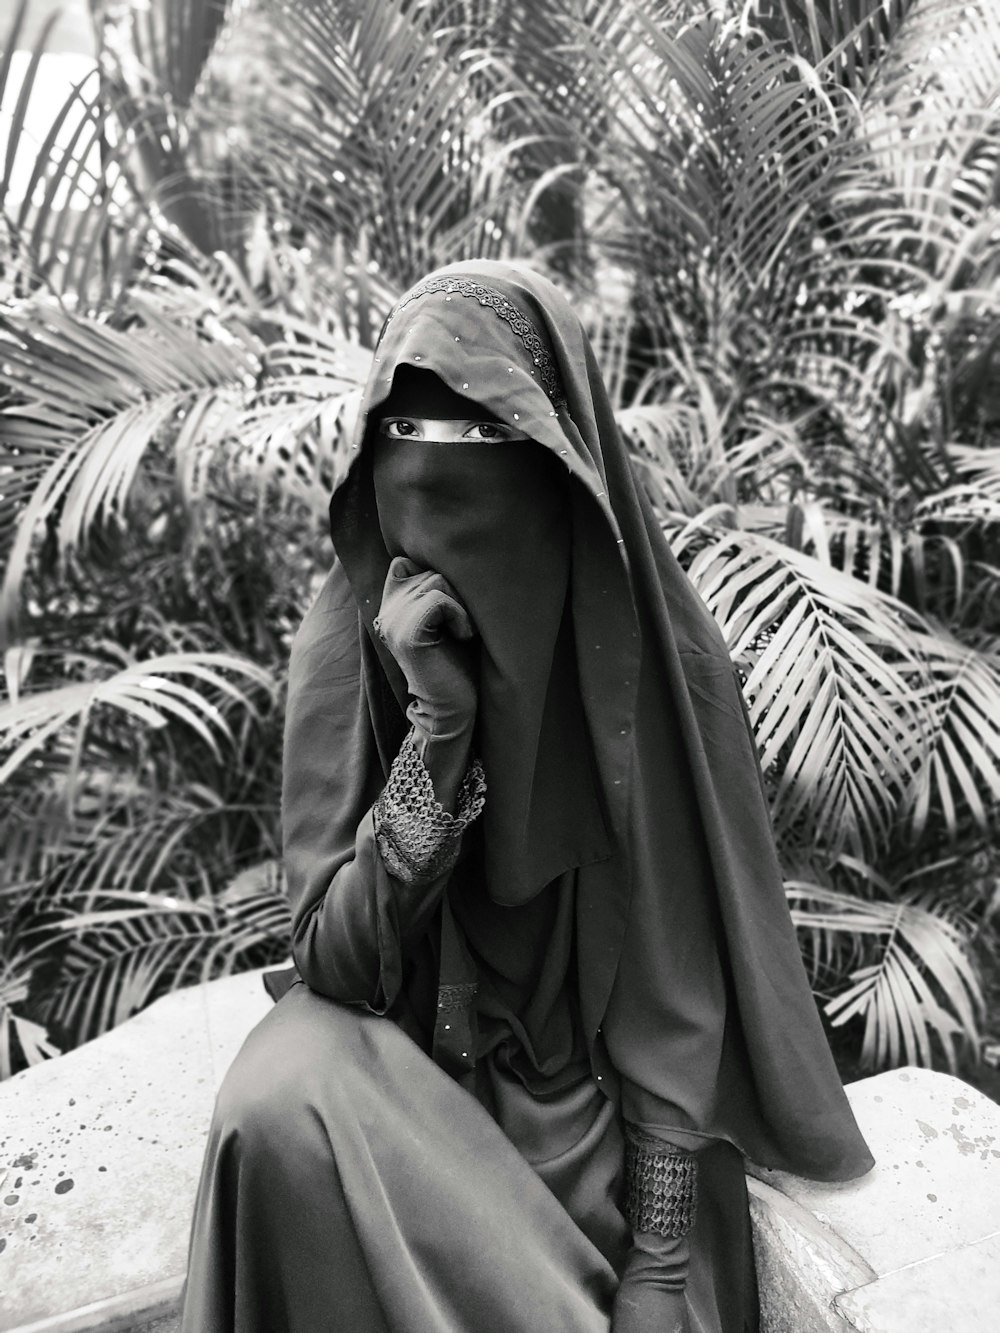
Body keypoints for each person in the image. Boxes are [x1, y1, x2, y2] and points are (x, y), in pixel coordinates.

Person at [179, 261, 874, 1333]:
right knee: (275, 1101)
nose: (439, 496)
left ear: (560, 473)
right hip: (408, 1086)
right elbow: (338, 965)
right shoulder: (347, 647)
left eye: (481, 447)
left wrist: (655, 1263)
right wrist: (439, 735)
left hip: (598, 1129)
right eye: (411, 447)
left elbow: (676, 998)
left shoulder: (649, 664)